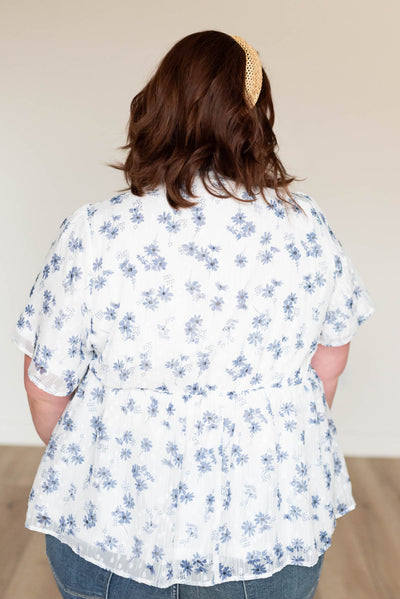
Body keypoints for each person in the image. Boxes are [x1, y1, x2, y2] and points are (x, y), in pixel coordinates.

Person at [12, 30, 374, 599]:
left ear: (157, 105)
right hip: (268, 528)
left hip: (114, 526)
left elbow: (46, 386)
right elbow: (328, 365)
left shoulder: (97, 230)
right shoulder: (307, 226)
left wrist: (112, 449)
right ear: (257, 119)